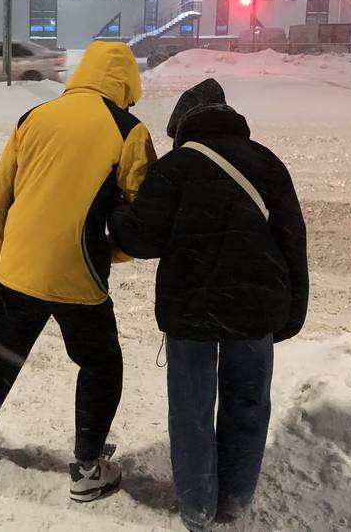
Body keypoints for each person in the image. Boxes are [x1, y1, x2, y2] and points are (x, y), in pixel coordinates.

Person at [0, 41, 158, 503]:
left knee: (0, 353)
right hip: (78, 272)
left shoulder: (33, 118)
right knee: (100, 362)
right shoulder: (129, 130)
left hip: (18, 269)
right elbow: (143, 216)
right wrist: (109, 251)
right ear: (127, 82)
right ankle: (87, 466)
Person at [109, 79, 309, 531]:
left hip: (191, 311)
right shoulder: (268, 163)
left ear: (183, 128)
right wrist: (293, 310)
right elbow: (293, 241)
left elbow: (142, 237)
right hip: (256, 308)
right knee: (249, 403)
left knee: (191, 408)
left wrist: (116, 212)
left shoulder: (177, 167)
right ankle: (235, 499)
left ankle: (197, 507)